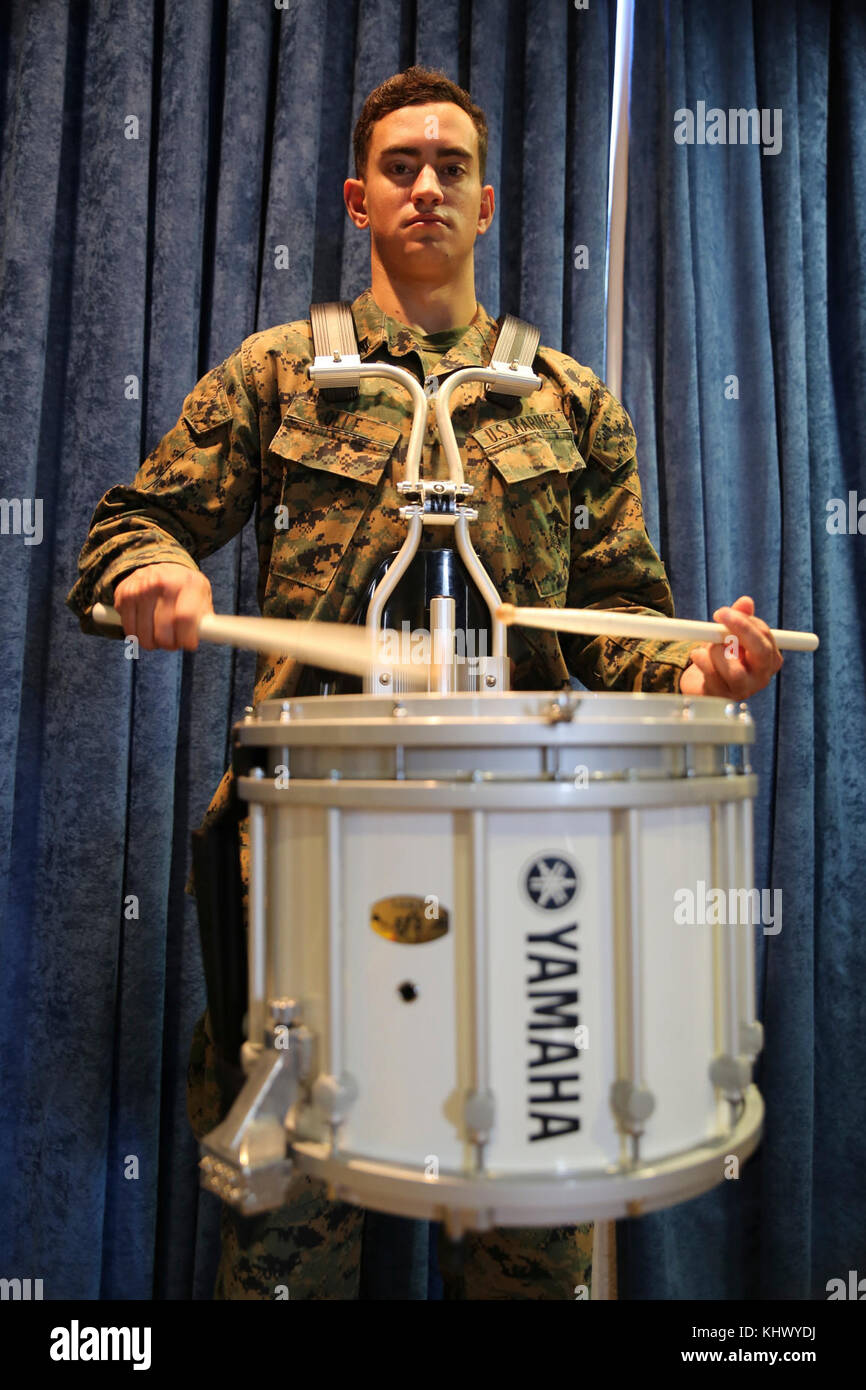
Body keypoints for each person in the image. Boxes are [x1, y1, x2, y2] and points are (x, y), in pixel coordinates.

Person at [67, 66, 783, 1300]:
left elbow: (618, 624)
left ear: (488, 201)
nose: (426, 186)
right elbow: (124, 525)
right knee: (291, 1222)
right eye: (400, 165)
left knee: (531, 1229)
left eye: (450, 166)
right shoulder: (281, 374)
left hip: (530, 870)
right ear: (357, 197)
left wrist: (701, 664)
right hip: (307, 855)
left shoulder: (568, 402)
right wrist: (154, 573)